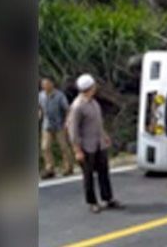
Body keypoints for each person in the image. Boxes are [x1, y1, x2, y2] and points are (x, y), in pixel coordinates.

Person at [67, 74, 121, 213]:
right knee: (88, 175)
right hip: (86, 146)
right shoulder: (77, 106)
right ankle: (92, 202)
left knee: (104, 171)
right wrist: (77, 150)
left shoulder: (94, 103)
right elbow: (73, 130)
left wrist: (104, 135)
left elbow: (97, 123)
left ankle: (107, 198)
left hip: (99, 143)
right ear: (89, 88)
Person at [39, 77, 73, 179]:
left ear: (52, 84)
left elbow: (67, 109)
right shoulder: (40, 96)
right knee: (45, 147)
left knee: (63, 147)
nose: (44, 86)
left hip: (59, 125)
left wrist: (67, 122)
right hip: (47, 125)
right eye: (43, 84)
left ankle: (68, 167)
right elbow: (39, 108)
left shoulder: (59, 95)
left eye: (46, 84)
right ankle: (49, 168)